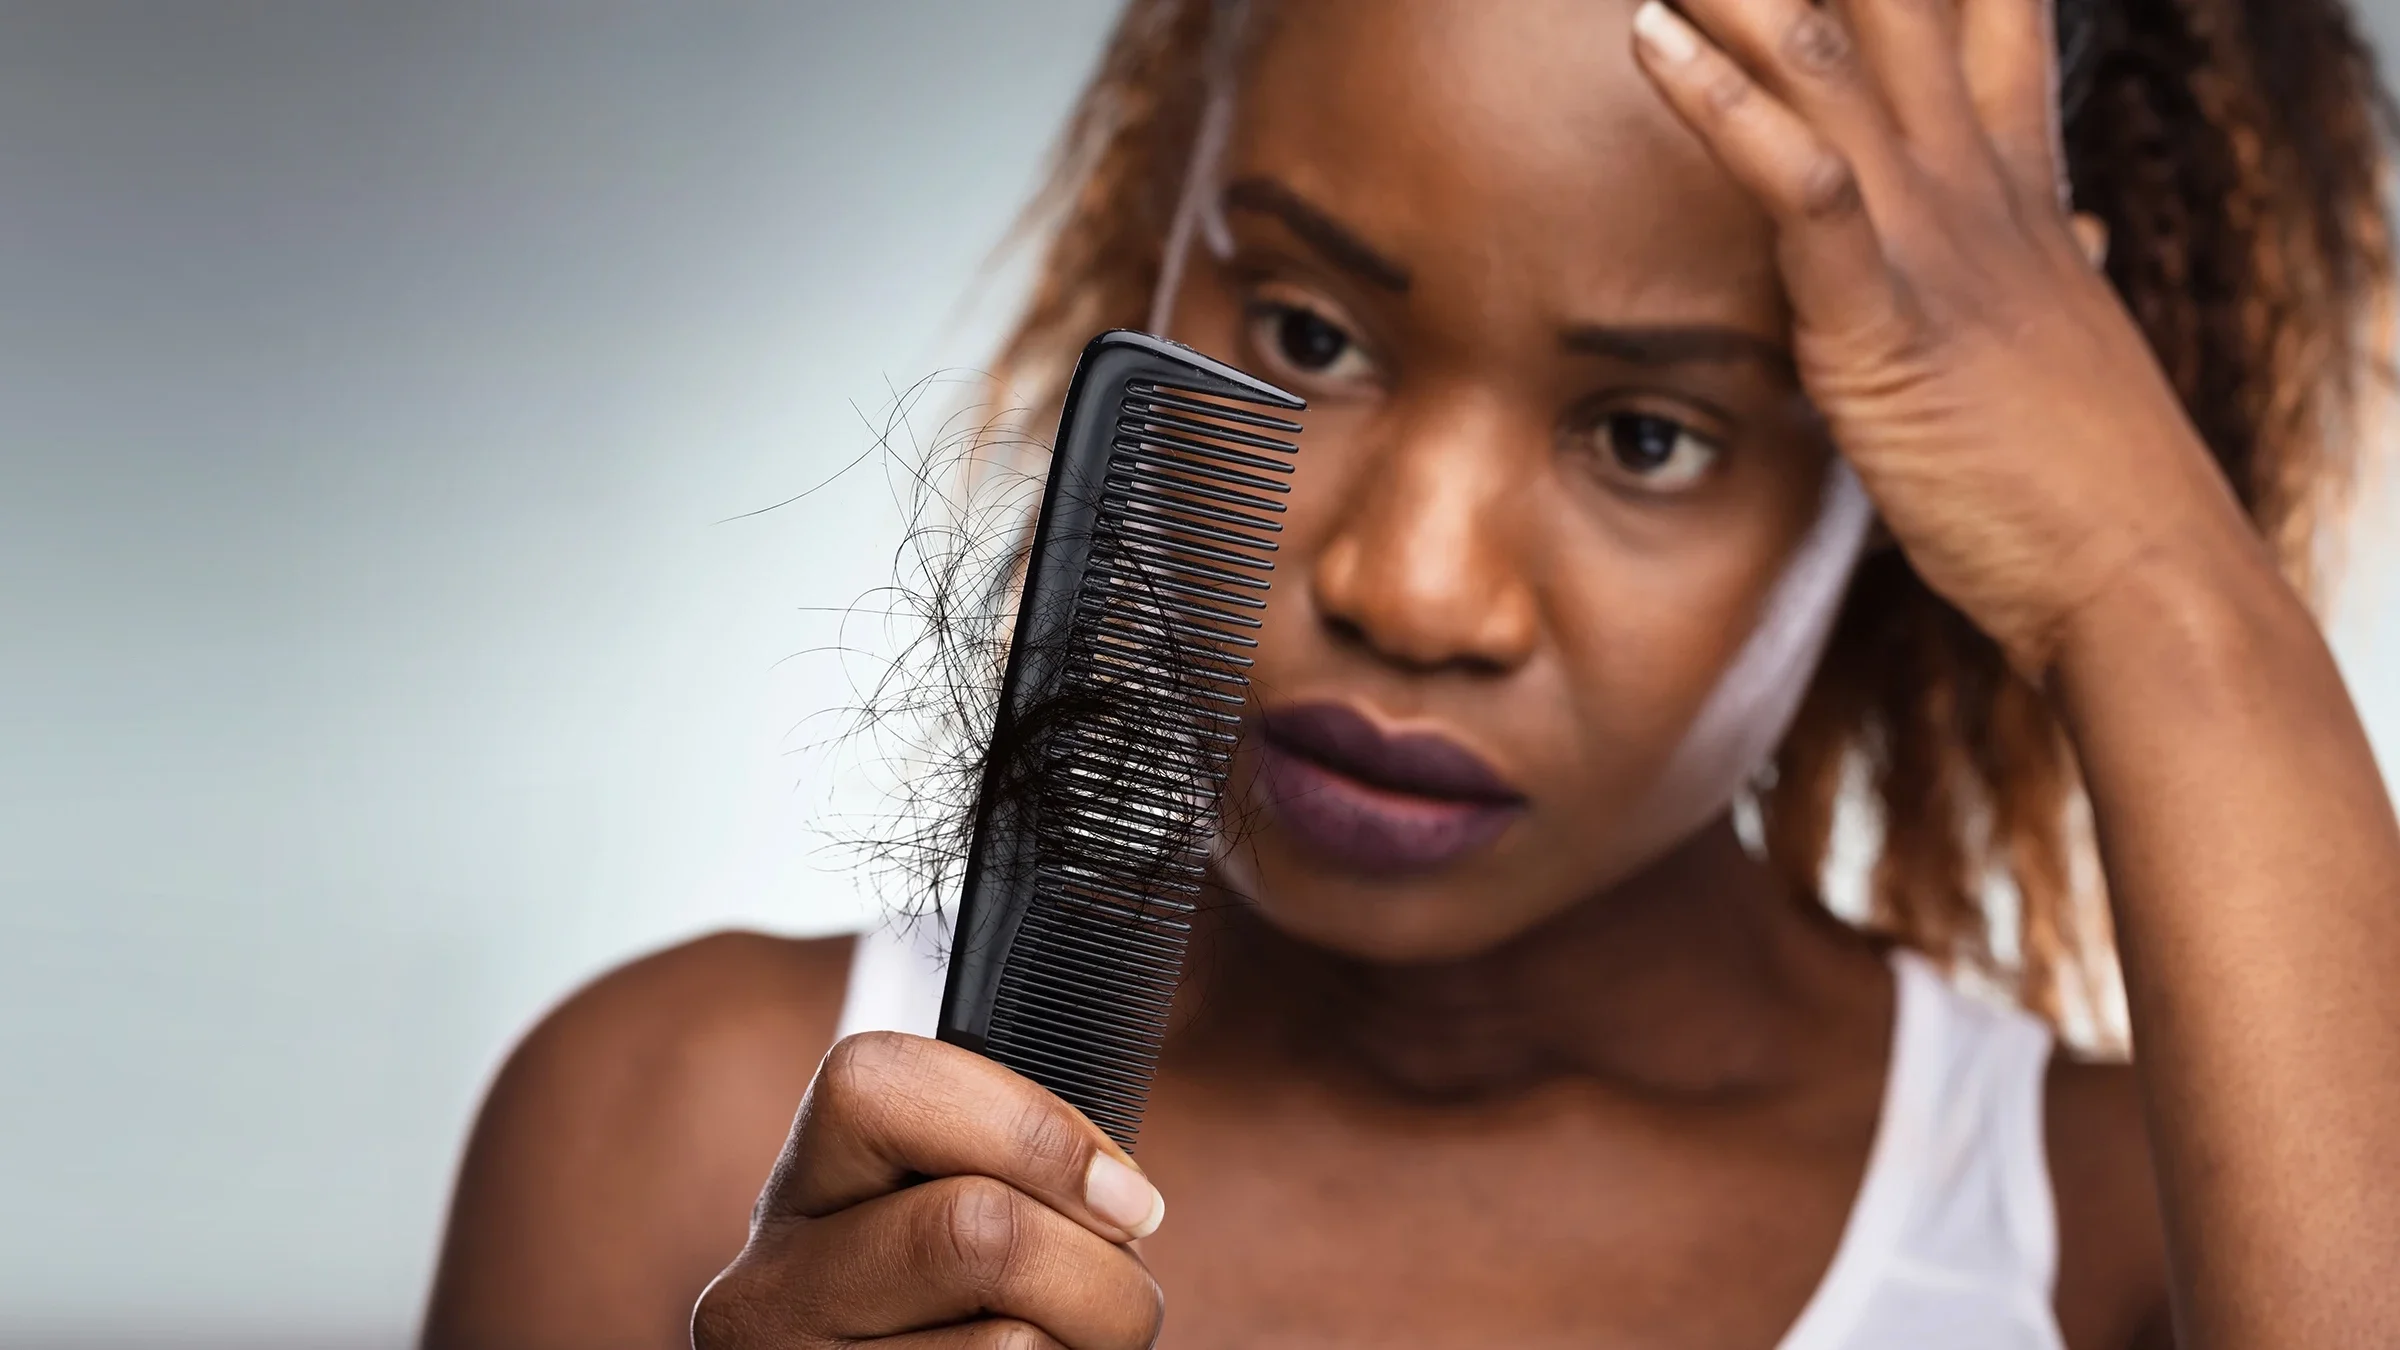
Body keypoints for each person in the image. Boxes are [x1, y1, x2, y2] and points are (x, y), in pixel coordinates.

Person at [421, 1, 2400, 1346]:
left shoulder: (2131, 1243)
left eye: (1651, 435)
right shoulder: (667, 1135)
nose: (1408, 585)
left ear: (1932, 473)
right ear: (1156, 236)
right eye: (1304, 326)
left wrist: (2152, 587)